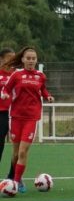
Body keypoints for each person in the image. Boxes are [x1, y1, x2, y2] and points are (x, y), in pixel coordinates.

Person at [0, 47, 54, 193]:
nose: (31, 61)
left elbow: (43, 90)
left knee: (23, 152)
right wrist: (5, 94)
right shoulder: (16, 75)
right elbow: (6, 88)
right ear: (23, 60)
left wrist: (48, 96)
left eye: (33, 58)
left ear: (36, 60)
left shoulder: (40, 76)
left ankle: (16, 182)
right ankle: (14, 178)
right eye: (28, 58)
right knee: (15, 153)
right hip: (15, 117)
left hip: (31, 118)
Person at [0, 47, 16, 181]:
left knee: (19, 147)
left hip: (16, 114)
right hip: (2, 113)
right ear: (1, 59)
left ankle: (13, 176)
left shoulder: (16, 74)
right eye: (9, 58)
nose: (12, 60)